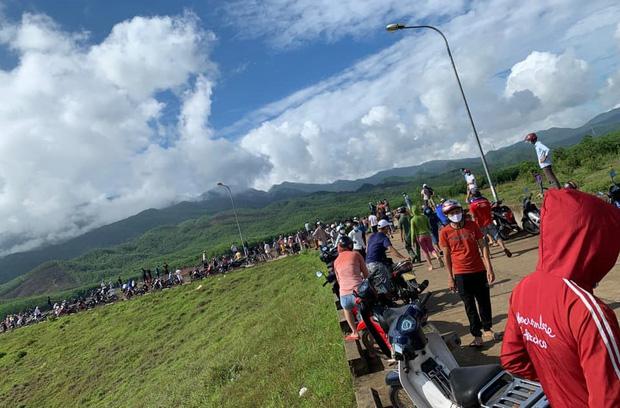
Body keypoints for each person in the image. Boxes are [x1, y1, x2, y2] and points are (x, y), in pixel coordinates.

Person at [501, 189, 620, 407]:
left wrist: (558, 382)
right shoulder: (588, 312)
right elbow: (610, 399)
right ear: (596, 242)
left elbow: (512, 359)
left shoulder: (523, 289)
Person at [439, 199, 496, 347]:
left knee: (484, 302)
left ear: (462, 211)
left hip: (479, 270)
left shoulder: (472, 226)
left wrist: (489, 267)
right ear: (447, 215)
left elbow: (483, 246)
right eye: (452, 213)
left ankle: (487, 328)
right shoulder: (444, 232)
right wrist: (450, 277)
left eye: (457, 211)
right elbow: (446, 256)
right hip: (461, 274)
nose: (455, 214)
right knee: (469, 306)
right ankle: (477, 335)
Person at [333, 236, 369, 341]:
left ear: (339, 247)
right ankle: (370, 334)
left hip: (344, 295)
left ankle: (354, 332)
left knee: (346, 309)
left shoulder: (336, 261)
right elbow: (366, 274)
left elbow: (339, 281)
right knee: (367, 315)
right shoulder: (356, 254)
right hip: (358, 292)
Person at [366, 219, 407, 294]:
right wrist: (403, 258)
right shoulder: (383, 237)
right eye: (388, 227)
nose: (389, 229)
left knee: (381, 282)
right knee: (386, 284)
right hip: (376, 263)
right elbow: (391, 249)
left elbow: (367, 249)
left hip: (368, 263)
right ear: (385, 228)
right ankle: (391, 297)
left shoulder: (372, 236)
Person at [468, 189, 512, 257]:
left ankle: (489, 254)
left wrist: (474, 225)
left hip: (480, 224)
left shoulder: (472, 205)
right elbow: (490, 210)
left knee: (484, 240)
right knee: (497, 236)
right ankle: (504, 248)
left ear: (473, 196)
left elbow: (473, 216)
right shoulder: (486, 202)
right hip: (489, 222)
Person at [411, 205, 444, 271]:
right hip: (427, 234)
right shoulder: (424, 217)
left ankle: (431, 265)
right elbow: (429, 226)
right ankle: (437, 257)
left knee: (425, 251)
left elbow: (413, 231)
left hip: (420, 236)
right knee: (431, 249)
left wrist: (412, 241)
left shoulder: (413, 219)